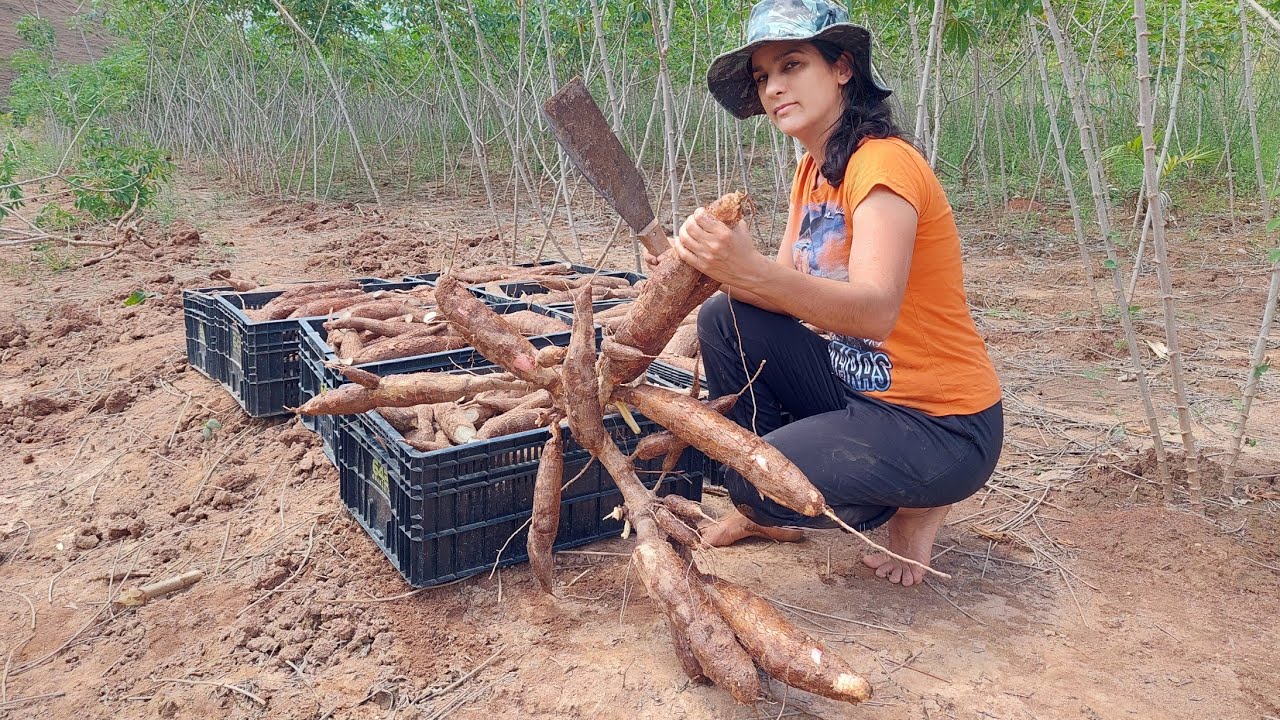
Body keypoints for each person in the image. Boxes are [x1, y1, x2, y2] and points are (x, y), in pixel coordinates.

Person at [653, 0, 1004, 587]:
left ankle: (914, 500)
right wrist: (703, 270)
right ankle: (773, 512)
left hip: (941, 424)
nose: (773, 88)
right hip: (859, 389)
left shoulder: (883, 165)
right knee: (725, 317)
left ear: (842, 68)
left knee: (754, 480)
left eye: (792, 65)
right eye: (763, 77)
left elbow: (874, 310)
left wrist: (752, 270)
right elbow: (781, 290)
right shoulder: (813, 170)